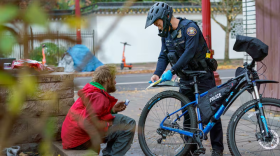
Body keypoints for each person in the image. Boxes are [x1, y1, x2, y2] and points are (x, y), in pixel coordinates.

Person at [145, 2, 223, 156]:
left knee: (211, 113)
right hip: (186, 78)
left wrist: (172, 70)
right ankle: (191, 149)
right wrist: (158, 73)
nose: (158, 27)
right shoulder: (166, 33)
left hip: (203, 76)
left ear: (166, 17)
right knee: (188, 115)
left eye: (158, 23)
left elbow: (190, 52)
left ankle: (217, 149)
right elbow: (164, 55)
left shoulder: (189, 28)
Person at [61, 65, 136, 156]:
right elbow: (86, 122)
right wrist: (108, 124)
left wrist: (112, 110)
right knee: (128, 123)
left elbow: (95, 113)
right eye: (114, 79)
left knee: (117, 122)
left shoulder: (92, 90)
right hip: (79, 141)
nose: (115, 82)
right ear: (108, 79)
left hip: (73, 139)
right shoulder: (98, 96)